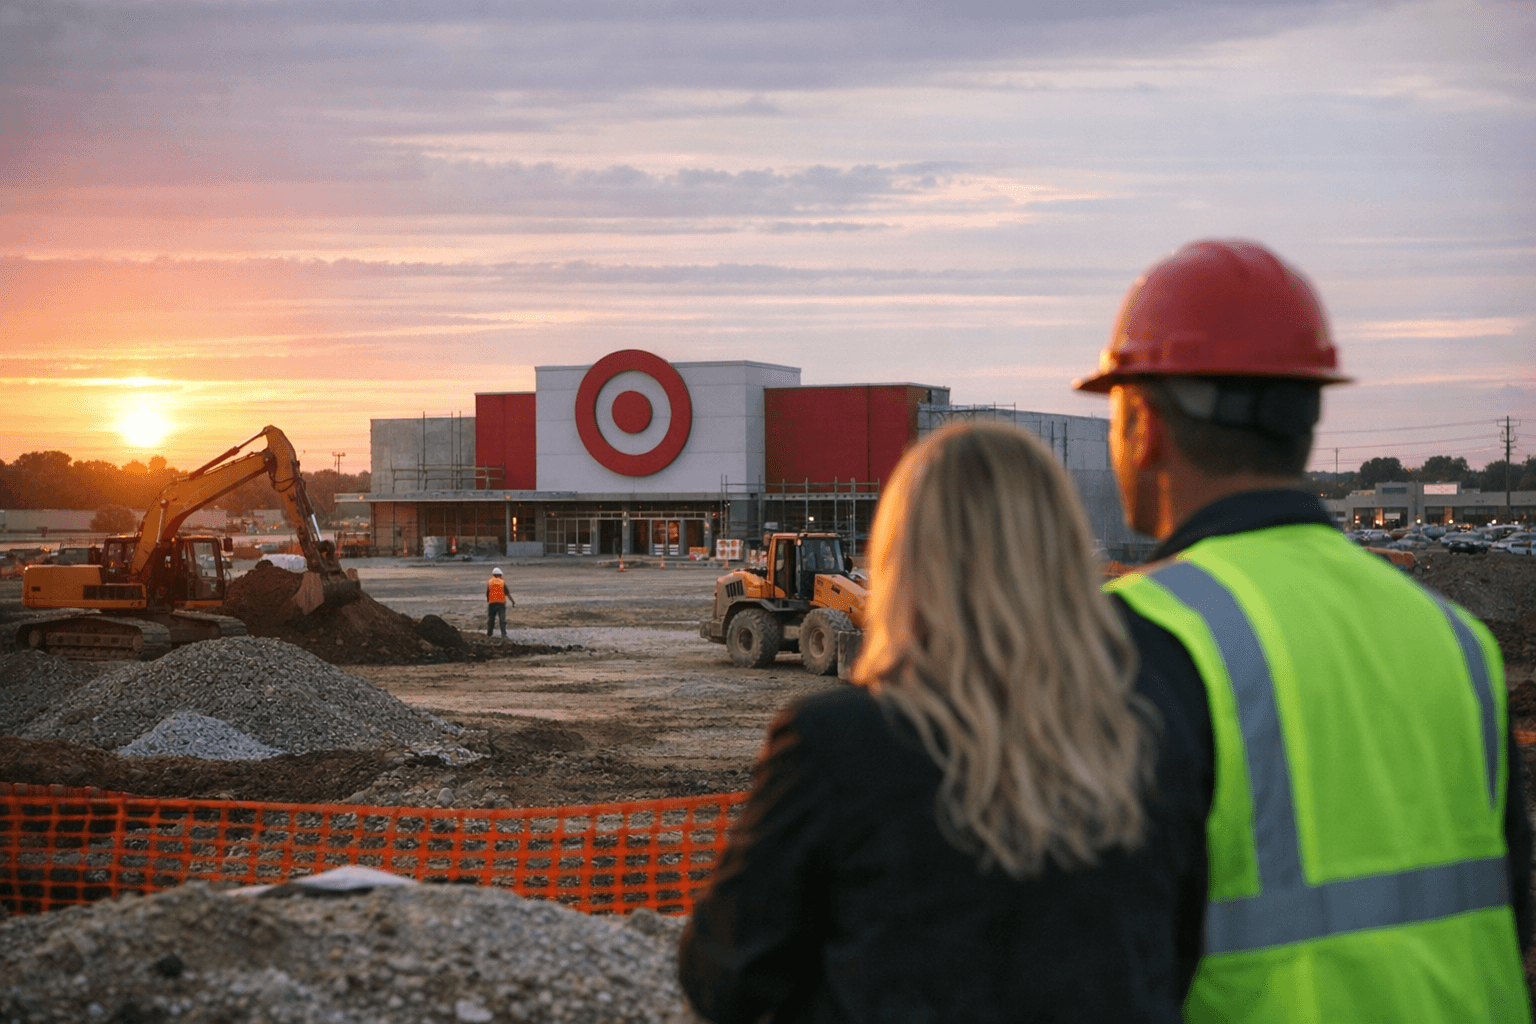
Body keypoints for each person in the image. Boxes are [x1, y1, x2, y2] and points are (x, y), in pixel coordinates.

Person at [1074, 239, 1531, 1021]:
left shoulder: (1131, 642)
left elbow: (1092, 964)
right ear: (1307, 420)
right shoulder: (1457, 641)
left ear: (1142, 423)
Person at [678, 422, 1212, 1022]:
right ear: (1060, 554)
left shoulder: (839, 747)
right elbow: (1181, 951)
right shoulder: (1153, 728)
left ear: (901, 556)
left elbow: (724, 977)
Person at [486, 566, 509, 638]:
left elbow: (487, 592)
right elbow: (507, 592)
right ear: (500, 575)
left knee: (491, 619)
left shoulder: (490, 582)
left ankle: (489, 634)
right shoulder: (502, 582)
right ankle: (504, 635)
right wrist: (512, 601)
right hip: (501, 604)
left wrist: (488, 600)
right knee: (502, 620)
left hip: (492, 604)